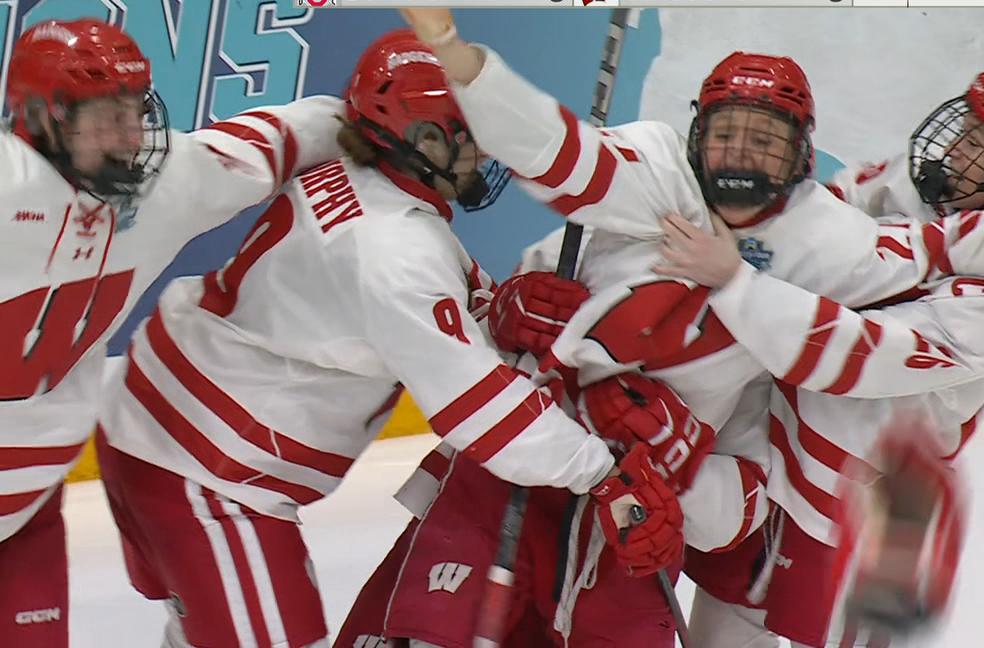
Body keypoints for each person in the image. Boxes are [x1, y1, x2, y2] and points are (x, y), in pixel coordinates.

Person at [335, 8, 984, 647]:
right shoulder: (668, 169)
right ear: (696, 135)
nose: (952, 148)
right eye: (730, 134)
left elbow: (858, 341)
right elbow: (563, 156)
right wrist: (511, 303)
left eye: (768, 141)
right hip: (595, 463)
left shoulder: (885, 261)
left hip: (819, 497)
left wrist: (690, 465)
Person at [94, 29, 683, 648]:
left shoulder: (353, 162)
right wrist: (601, 473)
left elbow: (395, 312)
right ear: (423, 138)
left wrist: (494, 305)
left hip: (153, 424)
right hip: (208, 480)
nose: (485, 153)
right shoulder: (395, 251)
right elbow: (479, 410)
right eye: (470, 137)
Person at [663, 59, 984, 647]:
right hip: (771, 473)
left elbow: (853, 356)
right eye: (964, 126)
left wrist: (735, 281)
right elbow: (815, 227)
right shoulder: (913, 189)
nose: (953, 147)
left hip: (855, 515)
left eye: (977, 139)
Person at [0, 18, 349, 646]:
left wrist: (382, 116)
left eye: (135, 110)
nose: (130, 135)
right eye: (105, 116)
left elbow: (282, 137)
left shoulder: (169, 183)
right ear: (44, 119)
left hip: (26, 508)